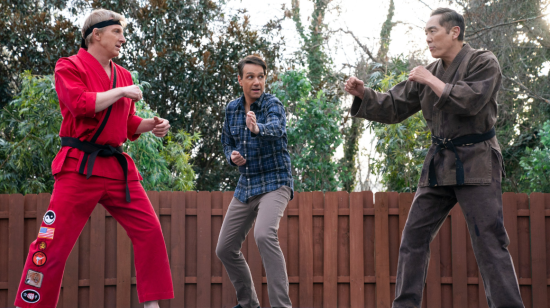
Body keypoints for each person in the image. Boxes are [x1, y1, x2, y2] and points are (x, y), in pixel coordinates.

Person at [345, 8, 524, 308]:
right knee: (413, 238)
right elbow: (393, 106)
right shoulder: (429, 73)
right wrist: (365, 94)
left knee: (489, 242)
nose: (427, 38)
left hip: (477, 162)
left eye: (433, 31)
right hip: (440, 163)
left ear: (454, 32)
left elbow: (471, 101)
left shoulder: (483, 61)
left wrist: (430, 80)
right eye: (425, 32)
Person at [15, 9, 173, 308]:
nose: (123, 39)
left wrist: (151, 126)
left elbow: (126, 124)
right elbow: (80, 104)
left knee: (150, 231)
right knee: (51, 243)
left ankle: (152, 304)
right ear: (95, 34)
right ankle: (29, 305)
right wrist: (122, 90)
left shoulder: (123, 75)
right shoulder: (68, 66)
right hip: (78, 167)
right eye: (117, 32)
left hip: (116, 170)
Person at [216, 55, 294, 308]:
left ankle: (281, 306)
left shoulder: (273, 104)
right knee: (225, 248)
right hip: (246, 184)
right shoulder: (232, 109)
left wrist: (257, 128)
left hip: (275, 181)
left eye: (260, 76)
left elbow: (277, 128)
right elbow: (227, 143)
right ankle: (249, 303)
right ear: (240, 80)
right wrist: (232, 156)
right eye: (250, 77)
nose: (257, 82)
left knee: (263, 234)